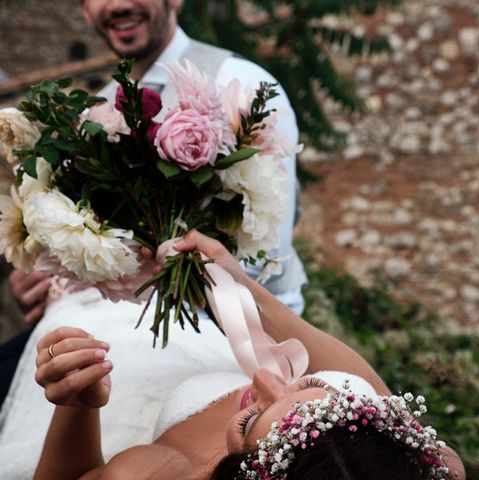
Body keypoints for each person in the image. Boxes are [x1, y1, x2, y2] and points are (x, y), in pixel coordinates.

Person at [0, 0, 306, 407]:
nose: (119, 4)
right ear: (84, 10)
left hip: (237, 347)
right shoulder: (100, 110)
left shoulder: (241, 83)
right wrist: (55, 280)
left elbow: (265, 253)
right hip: (116, 341)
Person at [31, 231, 465, 480]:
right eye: (315, 385)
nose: (262, 378)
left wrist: (76, 404)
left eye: (249, 421)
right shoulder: (426, 471)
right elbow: (364, 381)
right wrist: (239, 287)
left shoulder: (157, 471)